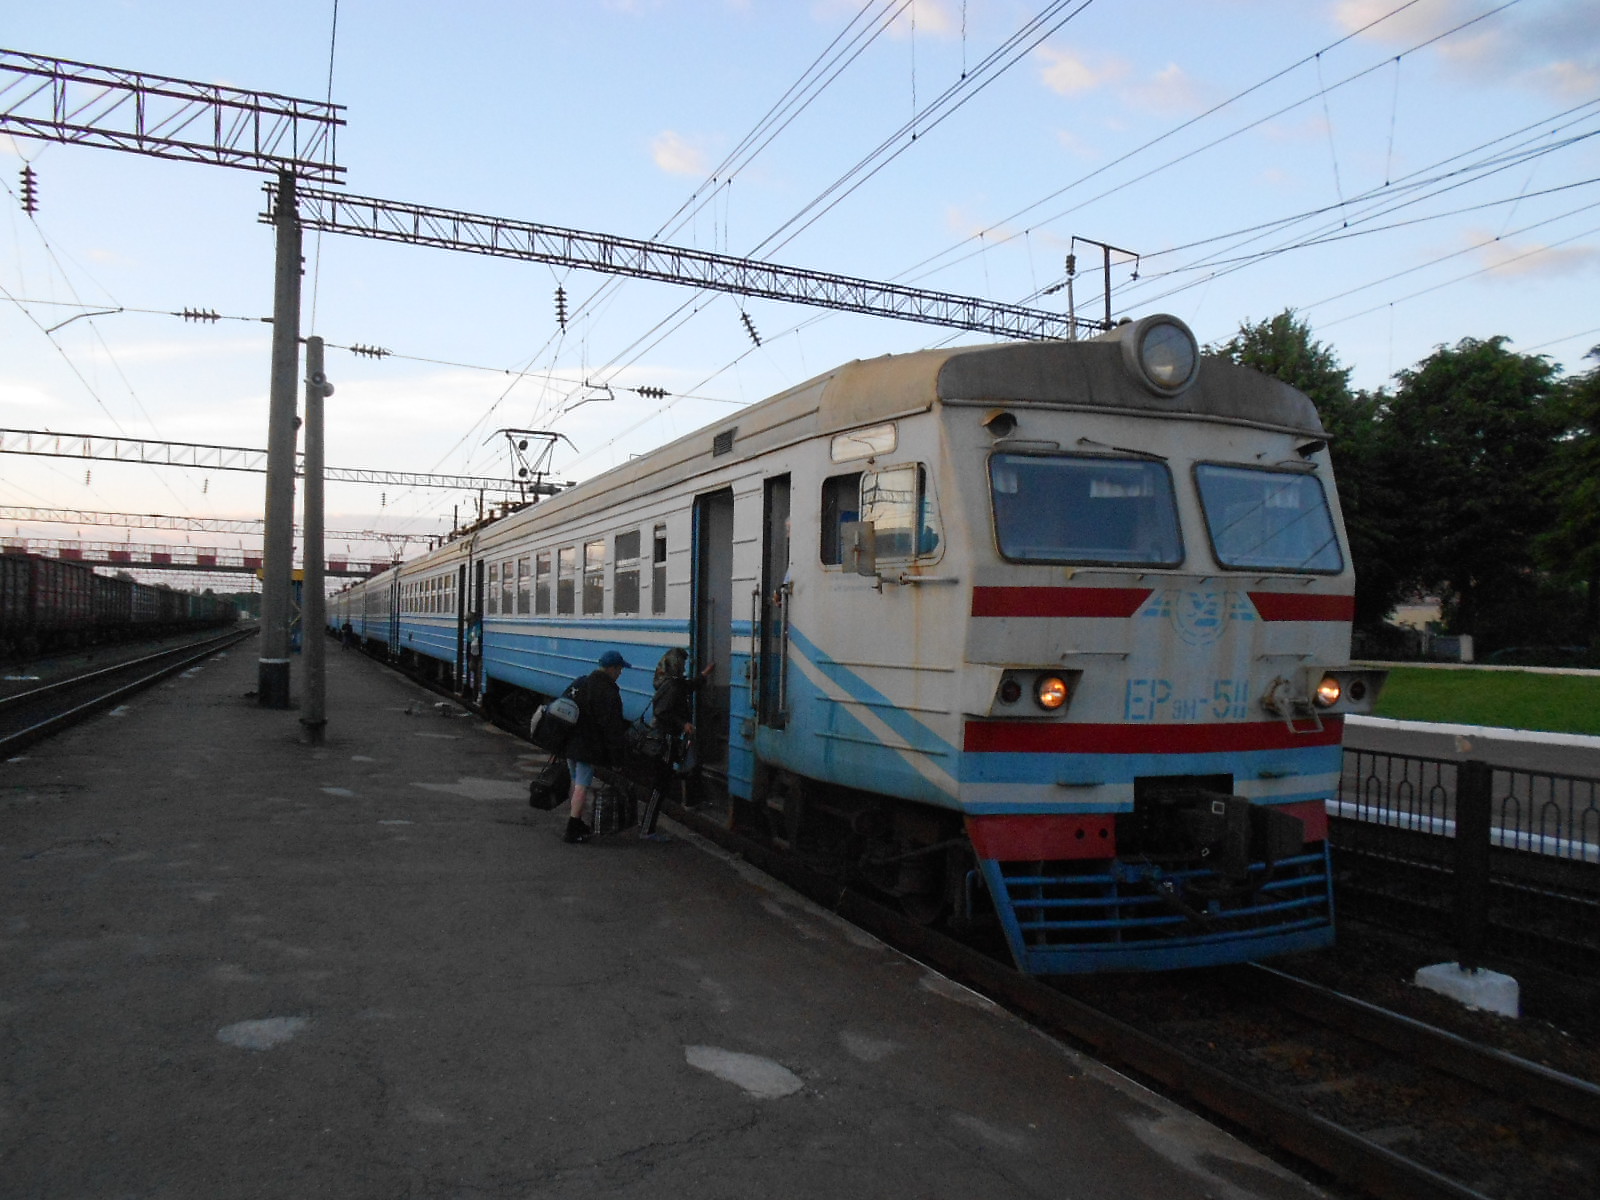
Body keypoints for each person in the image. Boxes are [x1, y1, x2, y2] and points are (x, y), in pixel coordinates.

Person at [638, 648, 714, 838]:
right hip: (666, 740)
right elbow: (662, 712)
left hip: (666, 739)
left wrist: (704, 675)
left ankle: (649, 826)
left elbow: (687, 687)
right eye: (682, 663)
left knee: (663, 782)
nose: (683, 666)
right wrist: (684, 723)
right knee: (660, 785)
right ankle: (647, 829)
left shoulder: (669, 682)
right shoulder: (672, 685)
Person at [563, 649, 631, 843]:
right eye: (619, 669)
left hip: (570, 741)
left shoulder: (581, 683)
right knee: (582, 786)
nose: (620, 673)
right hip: (586, 746)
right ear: (611, 669)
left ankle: (576, 821)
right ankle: (572, 827)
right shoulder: (609, 693)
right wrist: (617, 759)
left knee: (576, 782)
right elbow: (612, 730)